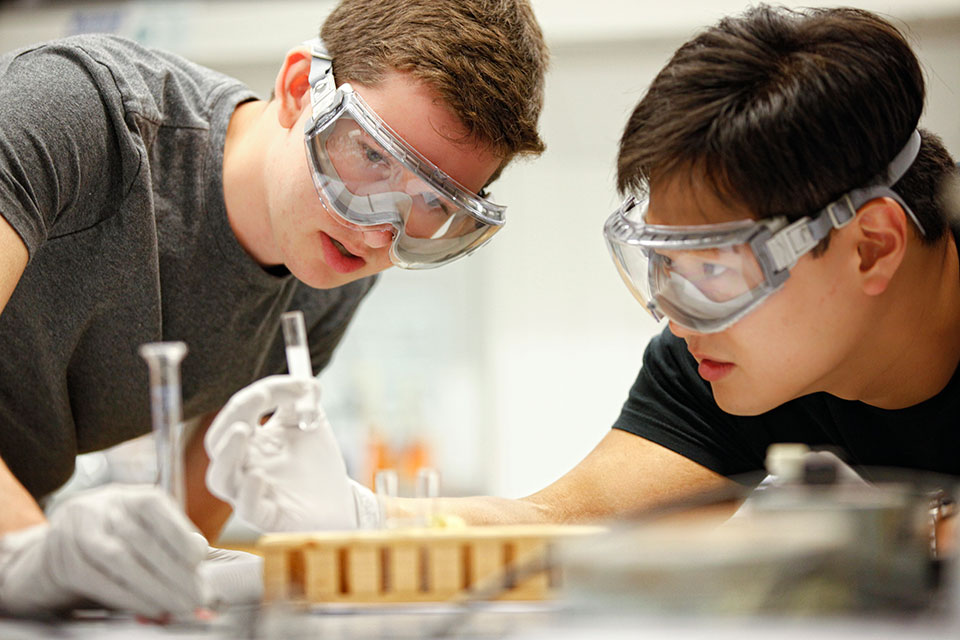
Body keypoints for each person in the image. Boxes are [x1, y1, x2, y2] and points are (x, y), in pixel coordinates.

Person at [206, 5, 959, 536]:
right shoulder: (717, 360)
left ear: (872, 247)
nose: (679, 314)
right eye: (661, 264)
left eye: (716, 269)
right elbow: (567, 521)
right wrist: (363, 519)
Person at [0, 0, 548, 617]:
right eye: (371, 157)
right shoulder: (77, 111)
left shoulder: (333, 268)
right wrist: (33, 550)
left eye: (430, 205)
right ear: (296, 89)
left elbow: (207, 490)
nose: (378, 235)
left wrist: (169, 591)